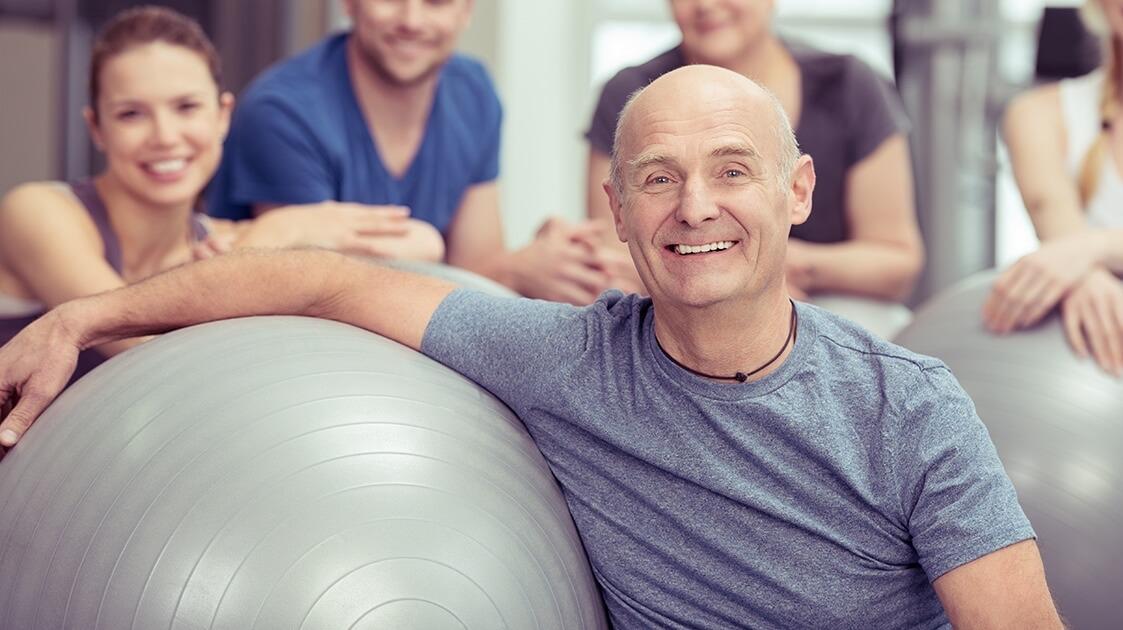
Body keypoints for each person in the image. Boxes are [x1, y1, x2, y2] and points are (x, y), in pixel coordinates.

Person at [0, 66, 1062, 629]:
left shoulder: (906, 405)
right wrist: (86, 318)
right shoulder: (559, 359)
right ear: (614, 207)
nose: (694, 206)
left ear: (795, 193)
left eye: (732, 171)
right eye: (657, 177)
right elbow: (324, 279)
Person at [0, 6, 444, 382]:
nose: (165, 137)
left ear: (223, 116)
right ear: (97, 128)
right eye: (132, 114)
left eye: (187, 107)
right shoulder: (38, 213)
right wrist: (258, 254)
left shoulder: (227, 239)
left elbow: (423, 243)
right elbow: (139, 348)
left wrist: (283, 229)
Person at [206, 0, 617, 305]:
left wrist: (541, 263)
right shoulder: (282, 110)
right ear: (350, 3)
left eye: (436, 1)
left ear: (466, 9)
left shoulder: (473, 92)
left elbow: (475, 263)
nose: (411, 21)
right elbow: (315, 292)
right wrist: (510, 271)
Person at [586, 0, 924, 335]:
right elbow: (613, 257)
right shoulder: (629, 97)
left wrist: (774, 266)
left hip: (827, 305)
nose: (704, 5)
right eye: (661, 178)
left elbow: (897, 263)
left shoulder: (850, 86)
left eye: (733, 172)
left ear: (800, 188)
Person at [983, 0, 1123, 376]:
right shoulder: (1037, 113)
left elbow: (1070, 252)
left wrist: (1095, 248)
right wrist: (1084, 269)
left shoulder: (1083, 251)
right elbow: (1062, 240)